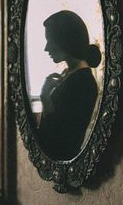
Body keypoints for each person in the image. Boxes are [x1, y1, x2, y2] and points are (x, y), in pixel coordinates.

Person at [38, 10, 101, 160]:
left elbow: (60, 140)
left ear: (65, 40)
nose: (46, 48)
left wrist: (45, 97)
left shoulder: (83, 82)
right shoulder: (69, 74)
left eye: (50, 40)